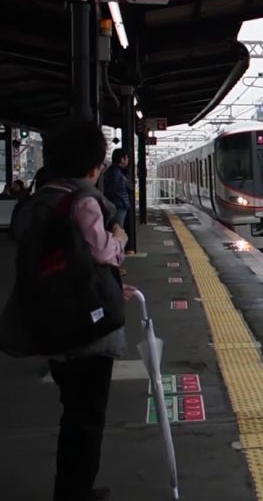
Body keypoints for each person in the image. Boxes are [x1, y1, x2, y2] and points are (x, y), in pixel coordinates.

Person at [12, 121, 128, 501]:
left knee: (73, 411)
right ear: (94, 166)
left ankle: (71, 488)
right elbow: (101, 251)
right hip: (87, 329)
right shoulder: (82, 201)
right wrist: (119, 240)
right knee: (87, 418)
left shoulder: (41, 198)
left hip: (49, 320)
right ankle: (76, 492)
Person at [102, 149, 131, 229]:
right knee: (117, 229)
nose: (128, 160)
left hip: (120, 204)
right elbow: (111, 190)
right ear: (122, 159)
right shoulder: (115, 172)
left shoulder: (117, 171)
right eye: (127, 158)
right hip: (118, 206)